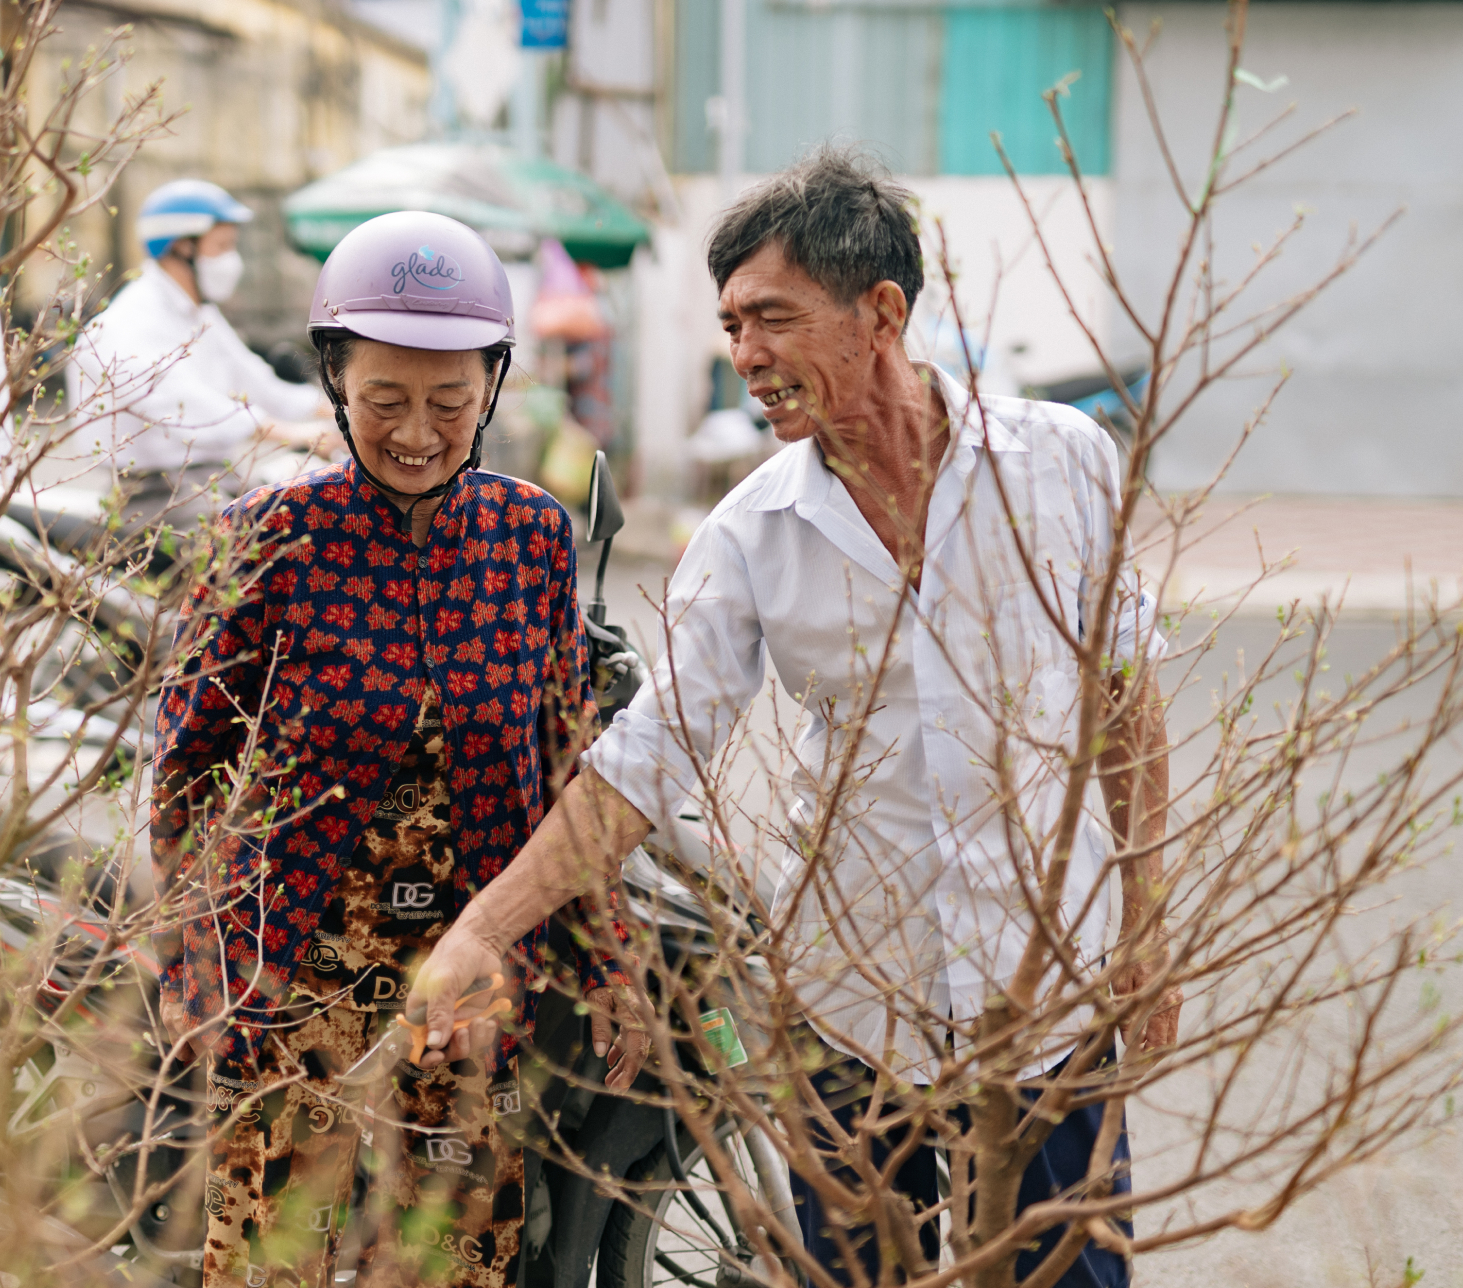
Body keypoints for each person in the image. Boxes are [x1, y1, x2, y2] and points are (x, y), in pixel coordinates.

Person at [405, 148, 1182, 1287]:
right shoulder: (752, 531)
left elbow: (1124, 702)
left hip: (1043, 1009)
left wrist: (1147, 924)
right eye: (729, 326)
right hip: (852, 1018)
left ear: (881, 311)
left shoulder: (1058, 464)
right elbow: (643, 760)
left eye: (769, 317)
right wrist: (481, 926)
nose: (745, 357)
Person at [150, 210, 650, 1288]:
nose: (416, 432)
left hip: (470, 996)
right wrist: (197, 963)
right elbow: (186, 771)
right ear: (336, 384)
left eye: (449, 403)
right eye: (384, 401)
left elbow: (568, 771)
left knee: (453, 1266)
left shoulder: (529, 539)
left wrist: (607, 958)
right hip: (293, 986)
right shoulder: (270, 539)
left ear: (493, 390)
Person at [67, 179, 332, 548]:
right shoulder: (130, 321)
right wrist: (292, 432)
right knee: (253, 562)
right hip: (156, 494)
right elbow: (190, 407)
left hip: (215, 480)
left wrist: (337, 410)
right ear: (182, 247)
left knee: (310, 519)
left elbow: (257, 380)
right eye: (221, 247)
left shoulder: (200, 314)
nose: (231, 260)